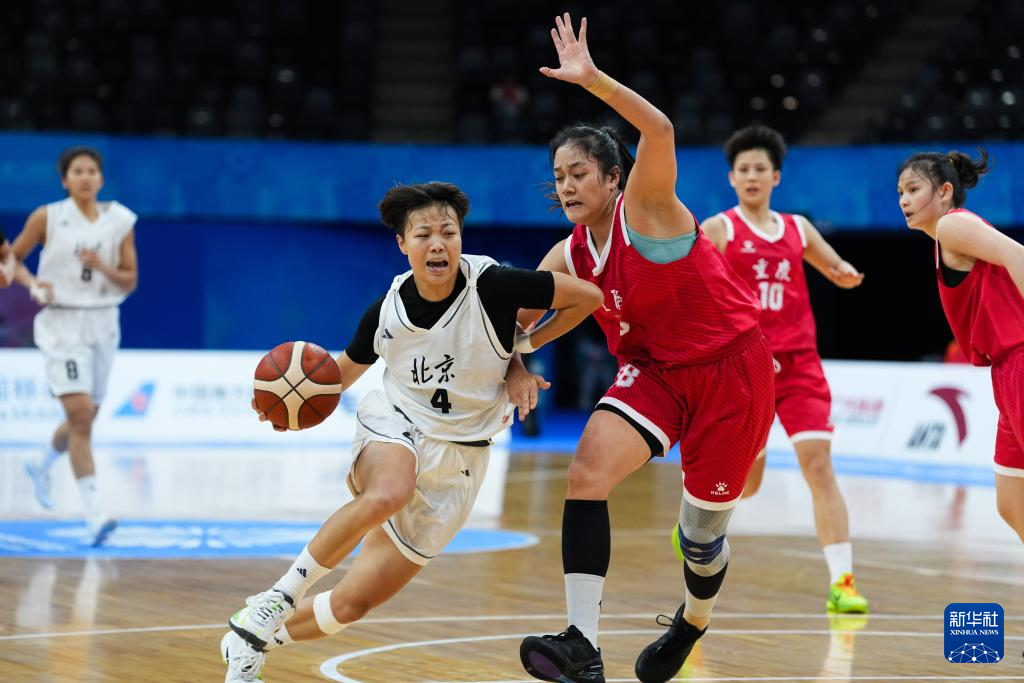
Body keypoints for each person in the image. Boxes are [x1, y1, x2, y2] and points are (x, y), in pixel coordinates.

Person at [220, 181, 603, 682]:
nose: (438, 243)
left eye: (449, 232)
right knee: (389, 492)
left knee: (351, 605)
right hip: (397, 423)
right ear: (403, 244)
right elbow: (339, 377)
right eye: (424, 234)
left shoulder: (496, 285)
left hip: (461, 458)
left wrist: (520, 351)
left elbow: (589, 297)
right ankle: (278, 597)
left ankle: (249, 639)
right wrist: (286, 406)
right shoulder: (387, 311)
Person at [515, 15, 775, 683]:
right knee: (586, 473)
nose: (566, 185)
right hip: (655, 374)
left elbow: (658, 130)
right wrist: (515, 356)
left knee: (701, 537)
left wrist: (592, 80)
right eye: (558, 175)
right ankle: (582, 642)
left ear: (613, 179)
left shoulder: (647, 208)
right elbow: (522, 321)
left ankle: (693, 620)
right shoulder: (569, 253)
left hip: (732, 373)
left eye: (579, 173)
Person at [700, 124, 869, 614]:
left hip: (799, 366)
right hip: (745, 368)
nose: (752, 176)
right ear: (732, 178)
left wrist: (843, 273)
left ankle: (843, 583)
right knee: (746, 484)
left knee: (818, 464)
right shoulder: (720, 230)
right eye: (744, 169)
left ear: (776, 176)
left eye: (761, 169)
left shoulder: (797, 228)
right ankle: (696, 527)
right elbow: (695, 286)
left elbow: (833, 266)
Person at [11, 146, 139, 547]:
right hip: (62, 321)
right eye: (77, 171)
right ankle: (95, 515)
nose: (85, 177)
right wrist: (33, 283)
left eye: (91, 171)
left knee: (86, 417)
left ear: (100, 179)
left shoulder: (120, 220)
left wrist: (104, 267)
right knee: (81, 416)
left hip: (104, 321)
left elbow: (131, 280)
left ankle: (40, 463)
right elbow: (10, 259)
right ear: (65, 180)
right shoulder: (47, 216)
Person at [897, 149, 1024, 543]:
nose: (904, 200)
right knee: (1011, 500)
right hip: (1006, 370)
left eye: (913, 189)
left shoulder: (952, 225)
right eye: (900, 192)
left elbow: (1018, 253)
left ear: (945, 191)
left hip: (1019, 360)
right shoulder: (947, 237)